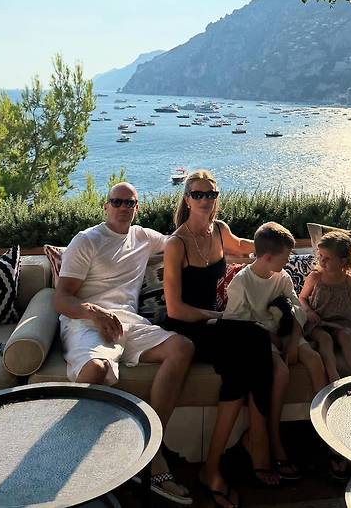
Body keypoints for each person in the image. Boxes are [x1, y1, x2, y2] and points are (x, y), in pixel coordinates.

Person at [55, 182, 194, 505]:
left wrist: (242, 249)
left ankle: (149, 446)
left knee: (182, 347)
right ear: (105, 206)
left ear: (137, 208)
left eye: (129, 202)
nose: (122, 207)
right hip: (85, 321)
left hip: (128, 323)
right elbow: (61, 299)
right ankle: (73, 460)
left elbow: (183, 243)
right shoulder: (87, 240)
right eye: (116, 201)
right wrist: (94, 311)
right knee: (97, 367)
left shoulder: (143, 237)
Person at [163, 170, 279, 508]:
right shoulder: (176, 244)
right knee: (252, 346)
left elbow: (244, 246)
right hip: (187, 325)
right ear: (186, 199)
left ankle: (237, 452)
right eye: (198, 194)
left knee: (256, 345)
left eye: (211, 194)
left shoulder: (219, 230)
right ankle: (244, 453)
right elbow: (174, 308)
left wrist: (280, 246)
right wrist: (218, 316)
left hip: (217, 322)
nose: (205, 200)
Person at [223, 222, 327, 481]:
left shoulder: (282, 277)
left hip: (287, 333)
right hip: (260, 339)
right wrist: (274, 342)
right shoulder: (241, 283)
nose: (288, 260)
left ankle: (326, 434)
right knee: (280, 372)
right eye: (286, 256)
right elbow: (239, 325)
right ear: (268, 256)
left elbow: (296, 310)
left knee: (314, 360)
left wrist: (293, 342)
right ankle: (273, 437)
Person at [299, 229, 351, 381]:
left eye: (327, 258)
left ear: (342, 261)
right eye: (320, 256)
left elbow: (350, 304)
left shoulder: (349, 281)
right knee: (325, 339)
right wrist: (309, 312)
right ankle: (333, 375)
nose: (322, 261)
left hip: (339, 322)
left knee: (346, 336)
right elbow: (302, 298)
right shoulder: (315, 277)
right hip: (317, 322)